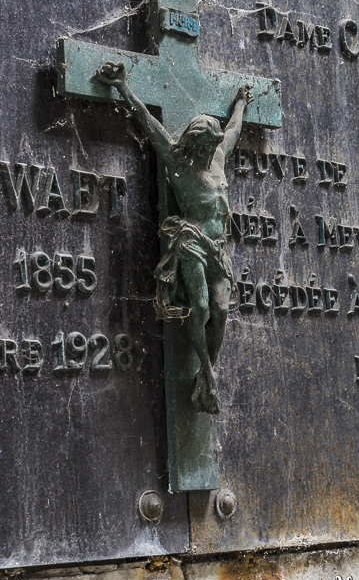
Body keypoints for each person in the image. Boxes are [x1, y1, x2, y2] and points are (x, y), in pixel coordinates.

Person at [95, 61, 253, 414]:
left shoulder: (218, 158)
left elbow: (234, 130)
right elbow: (149, 126)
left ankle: (206, 372)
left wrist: (241, 102)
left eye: (211, 146)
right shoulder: (178, 164)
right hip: (193, 242)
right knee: (200, 307)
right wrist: (122, 86)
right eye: (203, 146)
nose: (208, 151)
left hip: (218, 249)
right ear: (193, 143)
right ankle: (209, 374)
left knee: (222, 309)